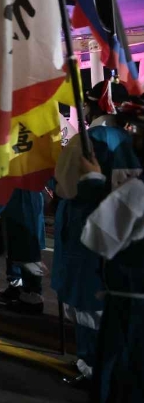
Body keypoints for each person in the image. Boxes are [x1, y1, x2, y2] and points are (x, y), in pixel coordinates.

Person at [52, 79, 141, 387]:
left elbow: (64, 186)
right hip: (128, 242)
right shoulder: (132, 144)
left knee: (86, 304)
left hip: (88, 231)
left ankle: (92, 365)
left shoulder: (88, 141)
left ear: (93, 106)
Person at [79, 99, 144, 403]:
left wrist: (93, 182)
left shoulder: (137, 191)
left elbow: (97, 238)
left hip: (131, 306)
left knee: (120, 376)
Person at [0, 187, 49, 314]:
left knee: (28, 250)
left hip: (23, 200)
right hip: (15, 200)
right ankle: (17, 285)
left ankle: (33, 295)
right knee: (13, 245)